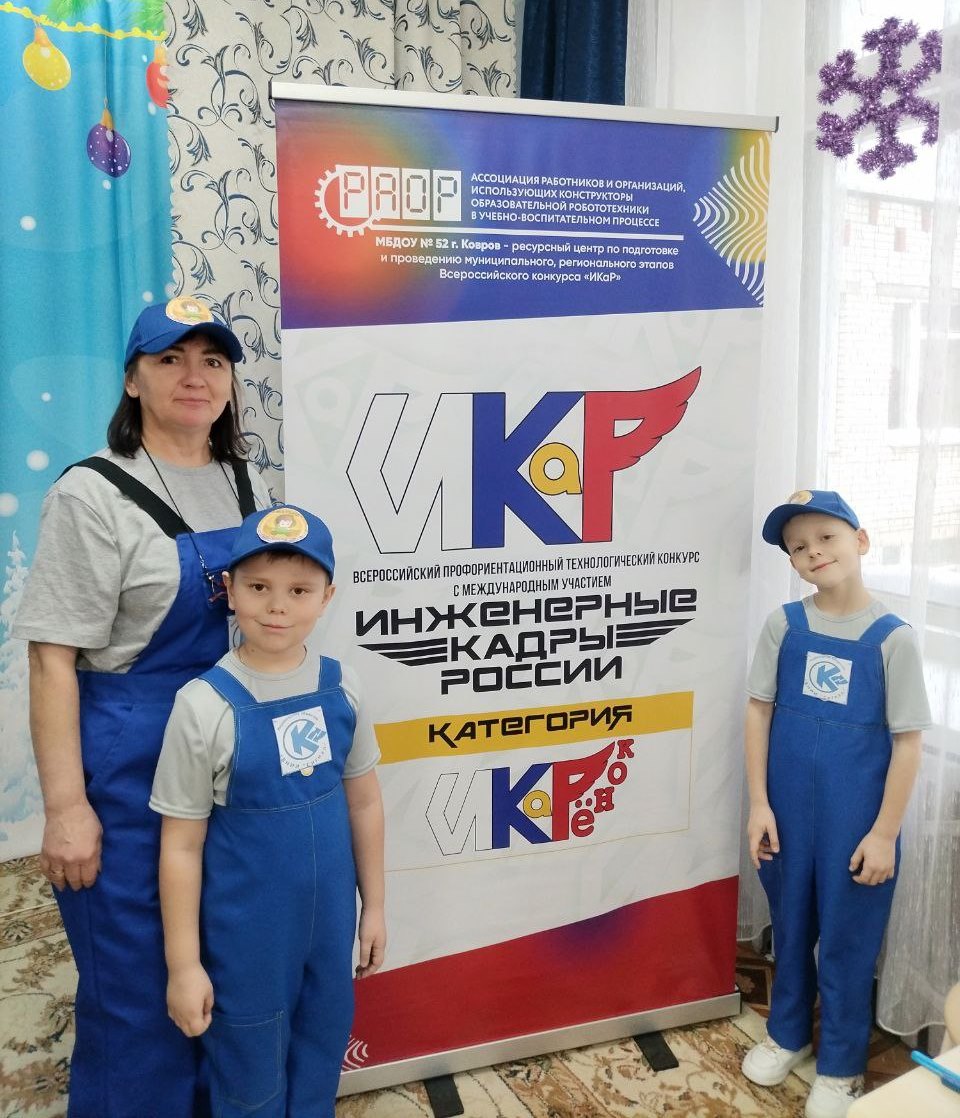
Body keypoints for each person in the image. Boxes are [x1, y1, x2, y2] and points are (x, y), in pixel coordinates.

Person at [13, 297, 272, 1117]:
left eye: (212, 360)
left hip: (225, 748)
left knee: (215, 957)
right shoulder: (91, 495)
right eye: (169, 359)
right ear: (133, 380)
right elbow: (52, 659)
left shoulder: (242, 480)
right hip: (130, 757)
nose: (195, 377)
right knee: (136, 978)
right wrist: (66, 808)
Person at [151, 504, 385, 1117]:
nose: (277, 606)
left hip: (330, 932)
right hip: (246, 941)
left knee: (321, 1049)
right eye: (259, 588)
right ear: (230, 591)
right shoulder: (203, 706)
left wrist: (376, 907)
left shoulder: (343, 687)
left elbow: (364, 800)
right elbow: (180, 845)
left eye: (299, 590)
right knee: (249, 1074)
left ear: (326, 596)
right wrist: (183, 966)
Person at [741, 490, 931, 1118]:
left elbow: (908, 745)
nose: (814, 552)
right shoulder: (784, 626)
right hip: (787, 815)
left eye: (827, 537)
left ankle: (843, 1065)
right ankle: (787, 1034)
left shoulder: (893, 640)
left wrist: (885, 834)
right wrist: (759, 804)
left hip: (858, 823)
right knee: (791, 924)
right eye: (799, 547)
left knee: (848, 941)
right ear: (793, 562)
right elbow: (758, 711)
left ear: (861, 540)